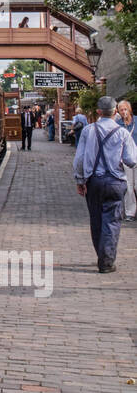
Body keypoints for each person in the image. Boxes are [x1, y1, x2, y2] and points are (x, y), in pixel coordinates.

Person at [73, 94, 137, 273]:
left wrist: (80, 180)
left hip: (94, 182)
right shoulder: (123, 132)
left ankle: (102, 255)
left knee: (96, 220)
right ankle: (106, 261)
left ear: (98, 112)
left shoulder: (88, 131)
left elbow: (79, 159)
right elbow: (131, 160)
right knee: (112, 221)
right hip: (116, 182)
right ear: (115, 111)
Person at [115, 99, 137, 221]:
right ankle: (130, 212)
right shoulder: (118, 124)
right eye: (121, 110)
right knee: (128, 186)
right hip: (126, 158)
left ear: (130, 110)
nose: (124, 112)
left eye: (125, 109)